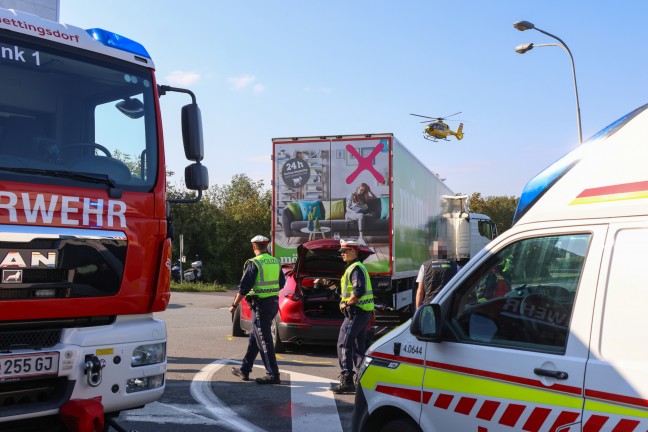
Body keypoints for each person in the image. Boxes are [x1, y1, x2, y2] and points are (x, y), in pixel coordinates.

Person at [229, 235, 286, 385]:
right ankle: (244, 369)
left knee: (265, 340)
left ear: (254, 247)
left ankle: (273, 374)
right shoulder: (276, 261)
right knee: (255, 337)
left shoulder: (254, 263)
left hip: (260, 305)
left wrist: (235, 305)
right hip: (273, 303)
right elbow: (281, 283)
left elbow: (244, 287)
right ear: (266, 246)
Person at [330, 239, 374, 394]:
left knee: (343, 344)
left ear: (354, 252)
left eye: (345, 251)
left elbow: (358, 291)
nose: (342, 254)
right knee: (357, 347)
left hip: (356, 312)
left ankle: (347, 379)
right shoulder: (353, 268)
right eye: (341, 251)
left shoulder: (355, 268)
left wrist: (346, 304)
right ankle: (364, 379)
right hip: (363, 312)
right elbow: (346, 290)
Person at [415, 240, 458, 308]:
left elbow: (420, 291)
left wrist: (418, 310)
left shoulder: (425, 266)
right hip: (448, 305)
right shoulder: (455, 266)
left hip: (430, 305)